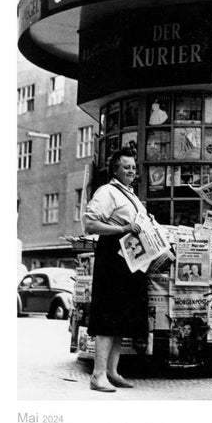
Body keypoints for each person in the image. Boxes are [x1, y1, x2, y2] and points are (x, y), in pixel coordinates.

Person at [83, 148, 149, 392]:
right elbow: (90, 223)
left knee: (121, 318)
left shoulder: (130, 194)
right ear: (115, 170)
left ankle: (112, 371)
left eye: (133, 167)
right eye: (126, 167)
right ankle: (98, 374)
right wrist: (122, 229)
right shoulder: (107, 191)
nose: (131, 171)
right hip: (112, 256)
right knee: (108, 316)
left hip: (130, 259)